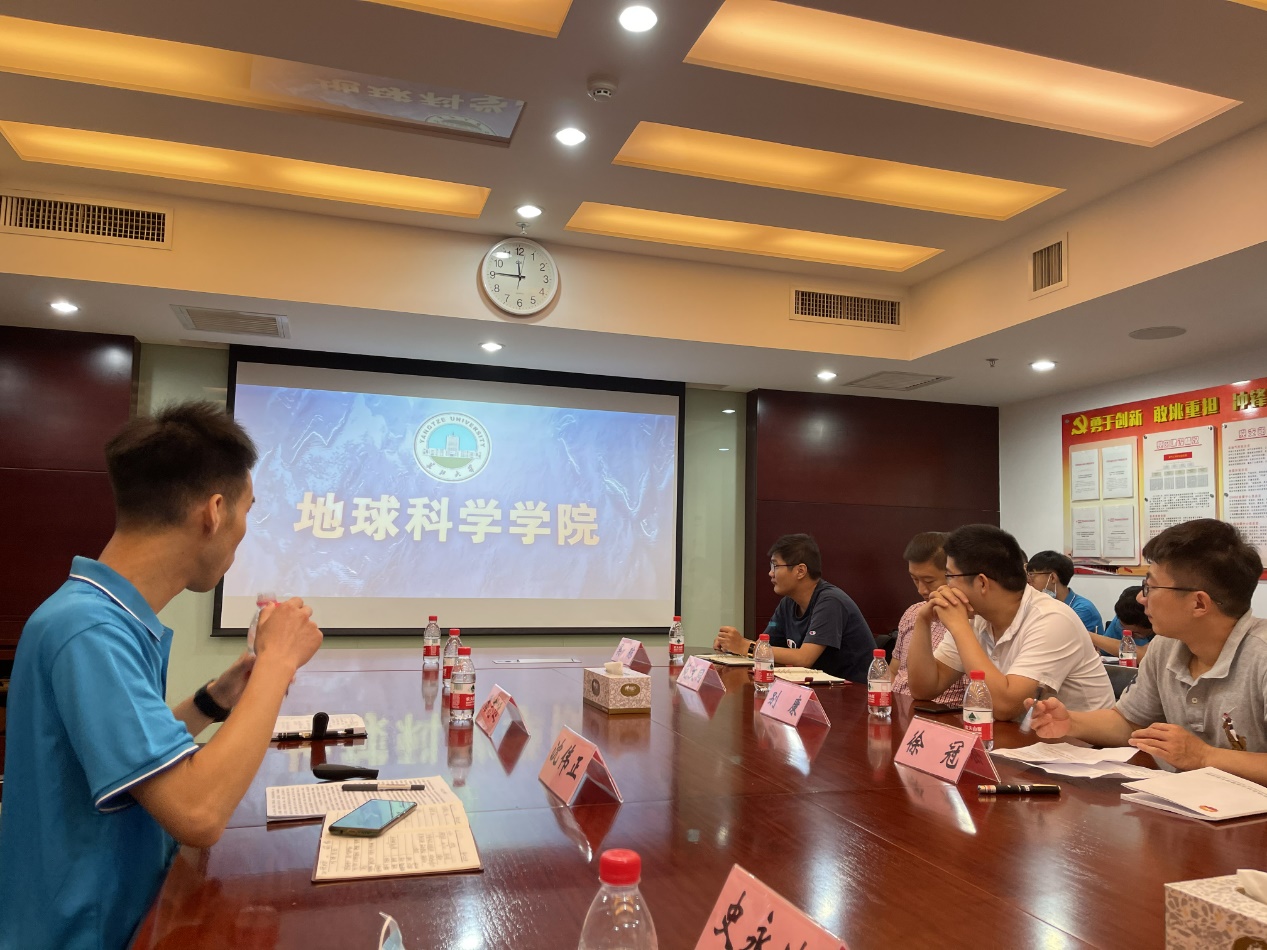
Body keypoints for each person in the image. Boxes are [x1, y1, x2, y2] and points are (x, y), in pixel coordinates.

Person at [0, 403, 324, 950]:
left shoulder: (100, 614)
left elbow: (119, 757)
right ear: (214, 512)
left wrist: (214, 700)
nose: (245, 531)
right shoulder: (89, 630)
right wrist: (278, 661)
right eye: (248, 510)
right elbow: (197, 812)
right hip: (88, 933)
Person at [1029, 519, 1267, 782]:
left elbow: (1200, 756)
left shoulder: (1261, 655)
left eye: (1150, 588)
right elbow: (1130, 722)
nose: (1141, 598)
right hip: (1181, 798)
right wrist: (1071, 722)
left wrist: (1204, 756)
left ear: (1199, 603)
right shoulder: (1166, 645)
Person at [906, 524, 1115, 720]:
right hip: (1019, 738)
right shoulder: (975, 617)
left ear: (982, 583)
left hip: (1079, 744)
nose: (945, 586)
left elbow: (1004, 707)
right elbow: (924, 689)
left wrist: (959, 628)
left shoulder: (1052, 619)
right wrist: (923, 621)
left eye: (950, 576)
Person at [714, 533, 875, 682]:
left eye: (775, 566)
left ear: (800, 571)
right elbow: (764, 649)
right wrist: (731, 646)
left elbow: (804, 658)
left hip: (855, 693)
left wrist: (745, 646)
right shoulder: (788, 603)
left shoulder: (831, 602)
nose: (770, 573)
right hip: (820, 689)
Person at [891, 531, 967, 704]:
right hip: (898, 708)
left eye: (929, 581)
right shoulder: (913, 612)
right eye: (915, 579)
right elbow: (894, 671)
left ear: (953, 575)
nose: (921, 590)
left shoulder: (969, 622)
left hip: (938, 713)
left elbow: (973, 695)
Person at [1026, 550, 1104, 635]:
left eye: (1032, 575)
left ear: (1052, 578)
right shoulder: (1044, 604)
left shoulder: (1082, 610)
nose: (1028, 581)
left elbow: (1050, 635)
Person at [1094, 585, 1155, 660]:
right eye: (1123, 628)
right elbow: (1103, 651)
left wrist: (1088, 635)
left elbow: (1147, 656)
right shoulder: (1120, 620)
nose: (1130, 637)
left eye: (1137, 633)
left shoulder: (1163, 628)